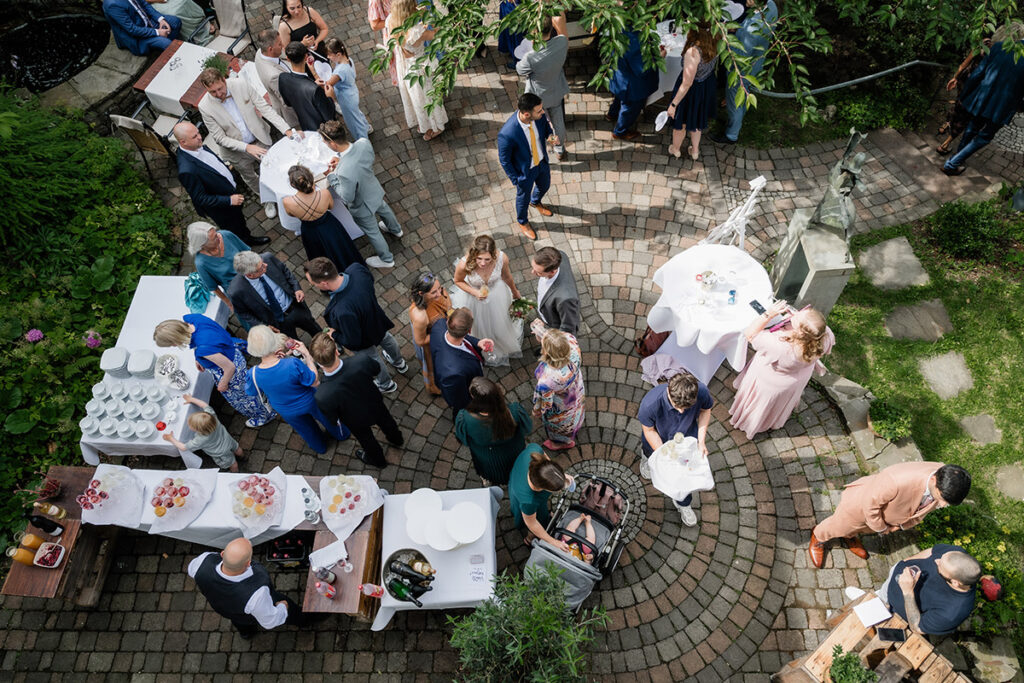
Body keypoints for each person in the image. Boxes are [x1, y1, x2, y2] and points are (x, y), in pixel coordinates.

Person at [809, 462, 971, 569]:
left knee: (858, 529)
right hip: (859, 508)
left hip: (883, 517)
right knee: (838, 526)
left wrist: (899, 526)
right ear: (934, 480)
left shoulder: (946, 476)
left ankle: (849, 536)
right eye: (941, 499)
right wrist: (883, 528)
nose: (942, 505)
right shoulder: (896, 480)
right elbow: (870, 506)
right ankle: (818, 536)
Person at [197, 68, 298, 218]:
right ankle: (267, 199)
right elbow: (219, 138)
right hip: (236, 151)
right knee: (250, 176)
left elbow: (265, 109)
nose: (218, 94)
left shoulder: (241, 84)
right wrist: (247, 148)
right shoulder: (204, 107)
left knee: (275, 166)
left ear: (224, 80)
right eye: (212, 92)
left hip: (260, 138)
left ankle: (286, 192)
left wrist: (286, 129)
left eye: (220, 89)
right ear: (206, 89)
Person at [728, 301, 834, 439]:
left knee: (761, 405)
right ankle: (772, 420)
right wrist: (798, 320)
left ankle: (751, 423)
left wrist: (769, 314)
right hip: (795, 379)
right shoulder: (824, 334)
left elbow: (750, 334)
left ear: (799, 332)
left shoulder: (780, 346)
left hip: (770, 382)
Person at [303, 257, 408, 394]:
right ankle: (399, 362)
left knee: (374, 358)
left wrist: (333, 334)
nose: (314, 286)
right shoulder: (356, 269)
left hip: (364, 337)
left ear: (324, 284)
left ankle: (386, 384)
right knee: (387, 339)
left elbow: (353, 340)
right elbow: (370, 281)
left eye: (313, 284)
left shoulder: (341, 310)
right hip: (376, 320)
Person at [153, 316, 276, 428]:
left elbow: (229, 368)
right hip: (231, 351)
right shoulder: (193, 319)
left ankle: (264, 415)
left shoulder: (204, 349)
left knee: (245, 398)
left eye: (171, 344)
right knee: (249, 388)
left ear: (175, 341)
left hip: (232, 372)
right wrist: (199, 358)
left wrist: (223, 383)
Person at [245, 325, 349, 454]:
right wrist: (307, 356)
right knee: (328, 418)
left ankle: (320, 447)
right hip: (310, 401)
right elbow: (314, 381)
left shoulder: (252, 374)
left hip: (286, 409)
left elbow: (251, 392)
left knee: (306, 430)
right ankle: (342, 434)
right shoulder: (291, 363)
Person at [310, 332, 403, 468]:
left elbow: (332, 419)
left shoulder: (322, 394)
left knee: (366, 439)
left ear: (318, 363)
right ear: (336, 351)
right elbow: (376, 369)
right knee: (387, 421)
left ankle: (379, 461)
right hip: (374, 403)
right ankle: (397, 439)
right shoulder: (361, 360)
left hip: (354, 419)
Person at [320, 121, 402, 270]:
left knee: (373, 232)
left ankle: (387, 259)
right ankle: (396, 229)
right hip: (374, 189)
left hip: (362, 205)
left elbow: (347, 197)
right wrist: (341, 161)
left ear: (333, 144)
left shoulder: (344, 171)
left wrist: (332, 176)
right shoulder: (363, 143)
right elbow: (363, 162)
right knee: (384, 209)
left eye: (325, 142)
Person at [173, 122, 271, 247]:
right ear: (183, 142)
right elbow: (200, 198)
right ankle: (245, 245)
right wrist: (229, 200)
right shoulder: (187, 170)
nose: (200, 137)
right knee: (235, 228)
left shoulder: (196, 146)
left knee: (239, 221)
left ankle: (244, 237)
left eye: (198, 132)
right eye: (194, 136)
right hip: (222, 208)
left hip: (228, 192)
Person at [943, 28, 1024, 175]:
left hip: (983, 98)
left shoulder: (999, 46)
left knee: (972, 127)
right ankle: (952, 163)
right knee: (985, 136)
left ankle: (956, 160)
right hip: (1003, 107)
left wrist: (965, 94)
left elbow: (978, 73)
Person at [187, 537, 303, 639]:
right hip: (250, 607)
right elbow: (269, 621)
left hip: (225, 608)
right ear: (248, 563)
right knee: (292, 611)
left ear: (222, 554)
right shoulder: (257, 594)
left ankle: (246, 633)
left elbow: (191, 570)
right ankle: (305, 620)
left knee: (239, 620)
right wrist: (283, 606)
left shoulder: (202, 562)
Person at [638, 371, 713, 527]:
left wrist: (701, 441)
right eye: (677, 406)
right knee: (649, 453)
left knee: (682, 478)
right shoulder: (650, 404)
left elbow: (706, 410)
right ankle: (646, 459)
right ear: (668, 392)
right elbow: (649, 430)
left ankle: (683, 504)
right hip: (657, 442)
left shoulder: (702, 391)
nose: (681, 412)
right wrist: (663, 453)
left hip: (685, 441)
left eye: (686, 408)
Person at [710, 1, 779, 145]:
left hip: (740, 70)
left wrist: (730, 33)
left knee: (735, 98)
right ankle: (735, 121)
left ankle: (731, 134)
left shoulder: (749, 31)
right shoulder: (772, 6)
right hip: (758, 61)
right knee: (745, 92)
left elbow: (738, 56)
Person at [451, 235, 523, 365]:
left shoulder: (502, 258)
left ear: (494, 255)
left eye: (487, 259)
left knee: (499, 322)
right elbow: (458, 281)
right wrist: (474, 292)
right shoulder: (464, 264)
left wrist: (514, 291)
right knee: (478, 324)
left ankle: (500, 338)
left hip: (497, 295)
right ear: (474, 254)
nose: (483, 263)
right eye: (479, 258)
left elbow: (507, 277)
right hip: (473, 299)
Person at [497, 92, 559, 240]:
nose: (543, 112)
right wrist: (516, 179)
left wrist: (551, 138)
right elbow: (504, 160)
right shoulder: (507, 133)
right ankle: (523, 221)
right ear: (526, 114)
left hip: (541, 162)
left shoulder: (539, 117)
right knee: (522, 198)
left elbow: (546, 130)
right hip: (525, 172)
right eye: (539, 111)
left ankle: (535, 201)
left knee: (545, 185)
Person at [282, 164, 366, 272]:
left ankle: (328, 274)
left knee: (319, 254)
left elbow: (291, 214)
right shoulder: (324, 193)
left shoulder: (287, 202)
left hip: (310, 231)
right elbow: (331, 206)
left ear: (293, 185)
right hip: (329, 225)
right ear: (311, 178)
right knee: (341, 247)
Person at [386, 0, 448, 141]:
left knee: (416, 97)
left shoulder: (391, 21)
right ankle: (436, 126)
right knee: (427, 96)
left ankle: (424, 124)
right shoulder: (416, 31)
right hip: (420, 66)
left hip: (405, 65)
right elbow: (436, 33)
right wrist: (428, 15)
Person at [883, 544, 980, 635]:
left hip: (892, 608)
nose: (936, 561)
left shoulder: (952, 612)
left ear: (955, 582)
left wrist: (907, 592)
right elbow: (930, 552)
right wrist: (904, 562)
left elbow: (916, 627)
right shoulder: (955, 553)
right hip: (893, 579)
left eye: (940, 565)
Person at [455, 377, 533, 485]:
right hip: (514, 451)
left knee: (491, 473)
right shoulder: (514, 411)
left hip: (487, 458)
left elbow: (463, 440)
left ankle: (489, 480)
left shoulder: (464, 418)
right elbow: (527, 428)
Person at [228, 251, 321, 341]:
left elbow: (285, 271)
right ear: (250, 275)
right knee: (293, 344)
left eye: (262, 262)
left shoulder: (268, 258)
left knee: (315, 329)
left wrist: (297, 288)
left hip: (296, 306)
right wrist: (264, 327)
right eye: (261, 268)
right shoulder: (236, 291)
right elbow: (243, 313)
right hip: (277, 323)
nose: (266, 265)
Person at [517, 15, 570, 161]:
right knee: (558, 124)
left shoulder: (531, 57)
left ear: (534, 32)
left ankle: (541, 150)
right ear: (551, 28)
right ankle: (559, 149)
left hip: (537, 97)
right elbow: (563, 34)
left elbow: (519, 69)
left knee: (540, 126)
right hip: (555, 91)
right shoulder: (561, 42)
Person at [428, 308, 494, 419]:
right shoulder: (453, 373)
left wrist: (478, 342)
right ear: (469, 330)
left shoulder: (439, 325)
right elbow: (458, 400)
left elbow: (460, 334)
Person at [665, 23, 718, 160]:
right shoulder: (716, 40)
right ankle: (695, 151)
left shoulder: (693, 52)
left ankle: (675, 149)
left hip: (692, 90)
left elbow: (687, 83)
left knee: (681, 123)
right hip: (705, 84)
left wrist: (673, 104)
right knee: (697, 118)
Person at [508, 444, 574, 549]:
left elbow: (546, 462)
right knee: (539, 520)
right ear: (541, 488)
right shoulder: (529, 501)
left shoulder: (535, 450)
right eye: (557, 490)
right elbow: (532, 523)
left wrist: (560, 477)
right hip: (521, 494)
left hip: (518, 475)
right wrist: (553, 542)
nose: (561, 490)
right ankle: (529, 539)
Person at [162, 394, 245, 472]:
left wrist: (171, 438)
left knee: (232, 463)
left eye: (191, 425)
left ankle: (235, 472)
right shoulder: (212, 416)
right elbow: (204, 405)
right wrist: (191, 399)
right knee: (237, 449)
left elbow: (184, 447)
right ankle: (242, 456)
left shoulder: (200, 439)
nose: (189, 426)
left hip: (221, 452)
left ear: (199, 430)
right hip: (228, 440)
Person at [532, 329, 584, 451]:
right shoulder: (572, 343)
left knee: (560, 425)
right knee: (576, 412)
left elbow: (544, 401)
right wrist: (541, 331)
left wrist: (537, 411)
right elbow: (559, 340)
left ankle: (562, 443)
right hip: (575, 391)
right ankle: (574, 428)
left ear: (546, 352)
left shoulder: (547, 380)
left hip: (561, 405)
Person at [606, 28, 659, 141]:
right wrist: (657, 58)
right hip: (632, 84)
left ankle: (612, 114)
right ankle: (620, 131)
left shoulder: (619, 29)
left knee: (618, 98)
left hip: (619, 75)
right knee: (631, 107)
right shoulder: (635, 40)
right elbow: (642, 68)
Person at [187, 222, 250, 314]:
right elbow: (213, 287)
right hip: (236, 289)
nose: (219, 237)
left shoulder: (226, 235)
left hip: (250, 273)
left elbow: (247, 251)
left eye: (216, 233)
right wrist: (229, 303)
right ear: (202, 245)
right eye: (214, 238)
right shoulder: (201, 263)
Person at [408, 272, 451, 395]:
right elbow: (420, 341)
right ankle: (433, 387)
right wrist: (444, 333)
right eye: (434, 292)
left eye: (439, 288)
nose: (439, 293)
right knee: (433, 366)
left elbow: (446, 300)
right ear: (421, 293)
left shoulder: (438, 293)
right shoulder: (420, 316)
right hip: (431, 344)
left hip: (442, 331)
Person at [279, 42, 336, 132]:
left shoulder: (283, 78)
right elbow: (329, 115)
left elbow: (288, 103)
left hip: (305, 125)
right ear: (306, 57)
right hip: (322, 130)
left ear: (288, 59)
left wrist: (312, 84)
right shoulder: (314, 90)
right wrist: (330, 97)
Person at [323, 38, 371, 140]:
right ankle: (367, 127)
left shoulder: (340, 71)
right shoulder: (348, 60)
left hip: (346, 98)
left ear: (338, 54)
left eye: (330, 55)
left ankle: (362, 140)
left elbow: (328, 84)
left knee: (353, 122)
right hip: (352, 92)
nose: (328, 57)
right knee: (357, 114)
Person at [254, 29, 300, 128]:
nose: (283, 46)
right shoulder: (274, 76)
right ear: (270, 49)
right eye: (279, 44)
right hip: (293, 116)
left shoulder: (260, 52)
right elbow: (287, 102)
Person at [102, 0, 181, 56]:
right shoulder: (112, 4)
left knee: (175, 22)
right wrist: (158, 32)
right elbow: (132, 29)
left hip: (147, 21)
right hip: (137, 37)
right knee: (166, 43)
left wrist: (160, 19)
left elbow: (144, 4)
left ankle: (166, 47)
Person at [531, 246, 579, 334]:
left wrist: (546, 333)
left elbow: (568, 328)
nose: (532, 272)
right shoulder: (560, 254)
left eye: (538, 272)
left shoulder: (565, 299)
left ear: (552, 271)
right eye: (533, 267)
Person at [497, 0, 524, 70]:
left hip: (515, 7)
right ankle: (510, 50)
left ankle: (518, 59)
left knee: (514, 33)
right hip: (512, 5)